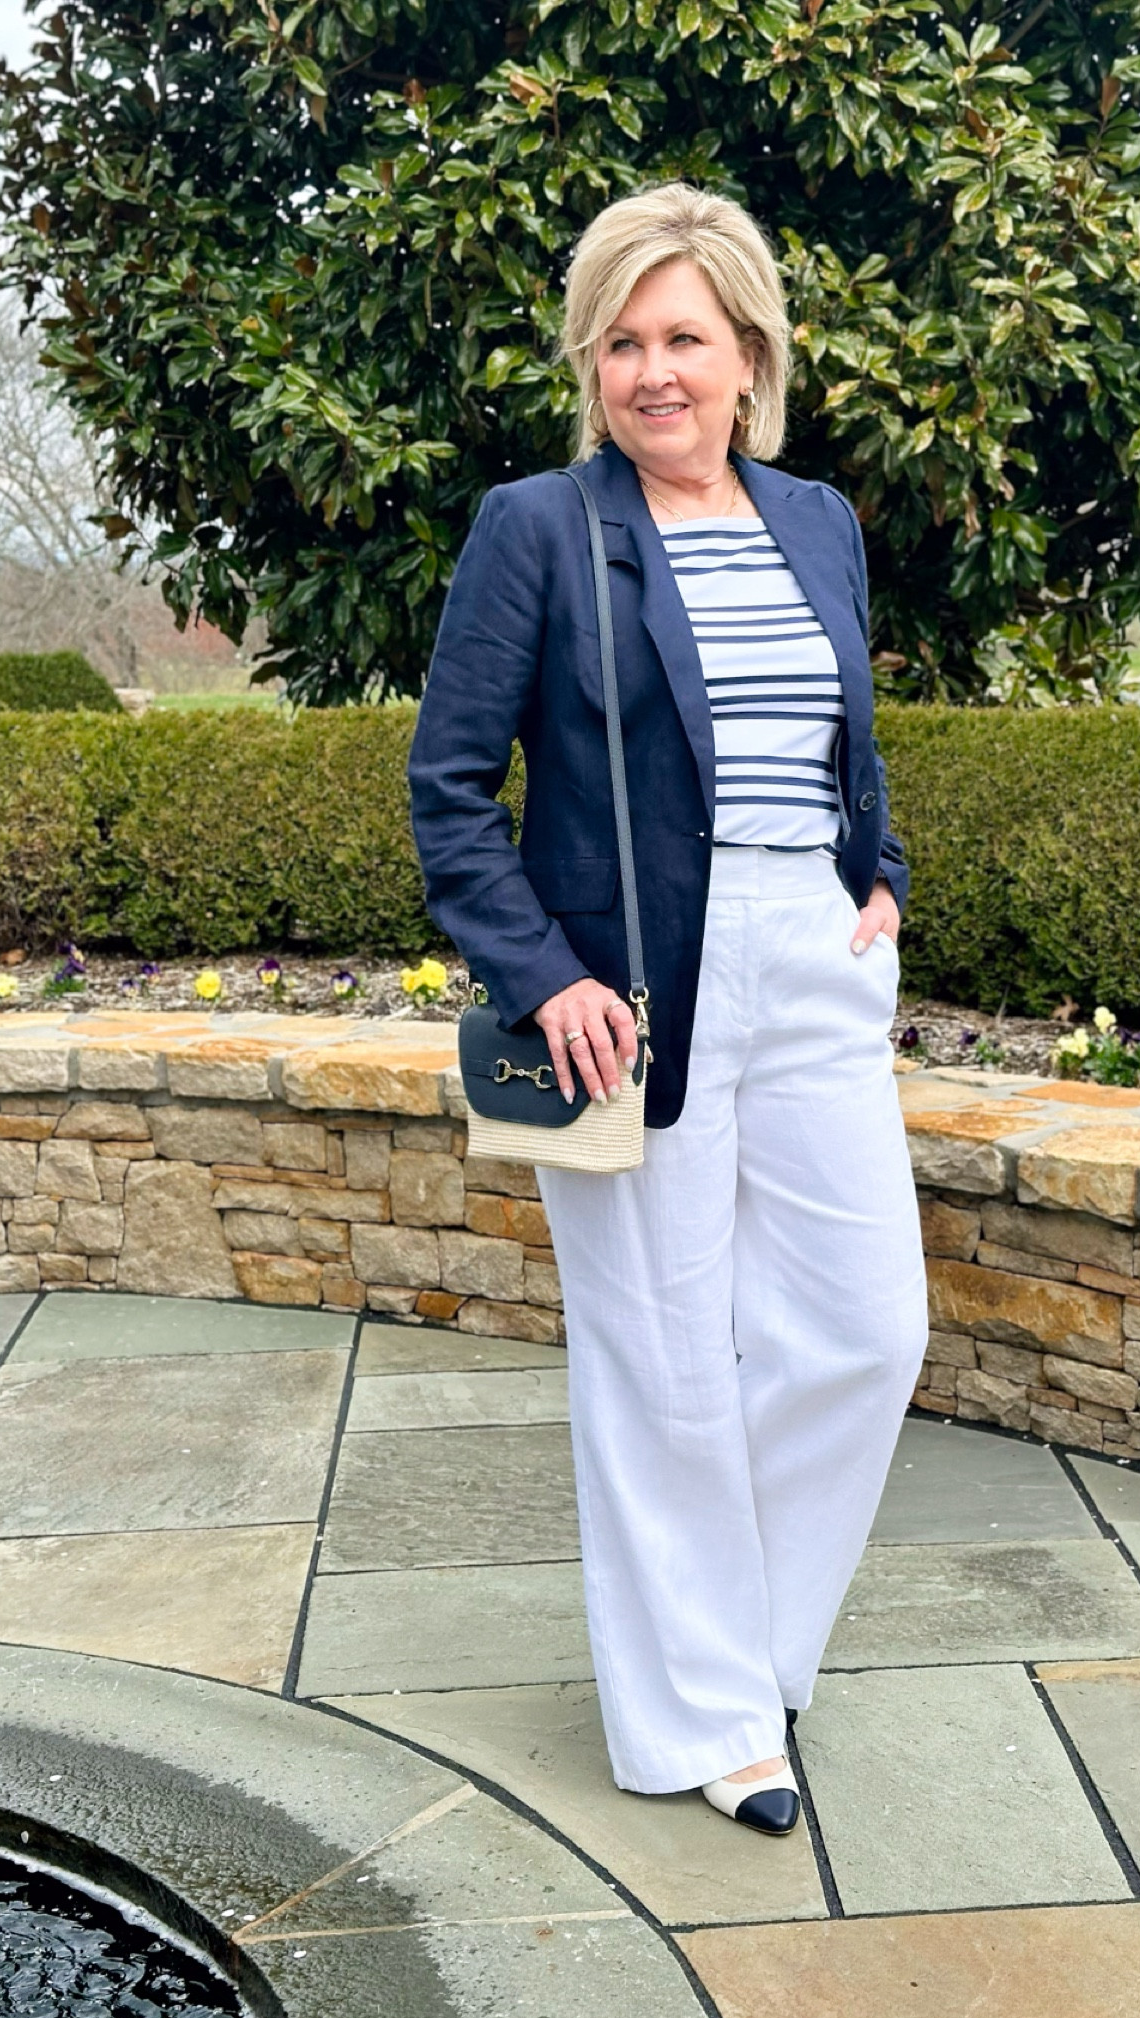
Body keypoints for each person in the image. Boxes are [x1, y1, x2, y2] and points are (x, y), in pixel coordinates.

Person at [409, 183, 928, 1837]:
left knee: (867, 1332)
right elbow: (448, 789)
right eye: (622, 341)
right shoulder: (538, 527)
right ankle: (709, 1716)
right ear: (592, 363)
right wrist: (542, 972)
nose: (654, 372)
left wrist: (877, 877)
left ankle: (747, 1645)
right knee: (665, 1358)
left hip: (817, 961)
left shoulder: (816, 520)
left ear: (747, 356)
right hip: (633, 987)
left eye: (684, 337)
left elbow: (839, 738)